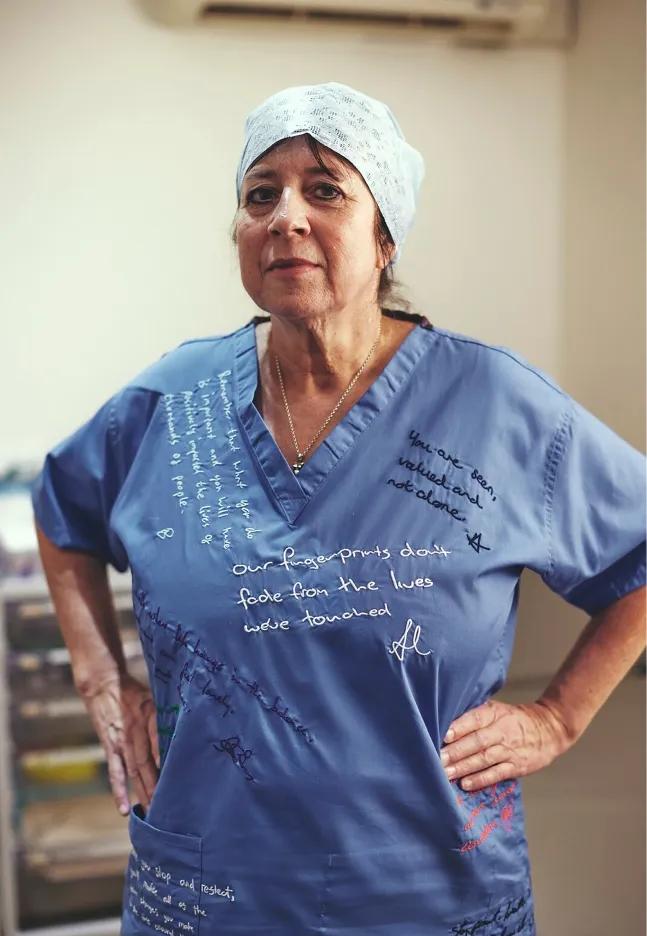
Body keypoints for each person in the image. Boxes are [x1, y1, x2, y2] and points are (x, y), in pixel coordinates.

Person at [33, 82, 645, 936]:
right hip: (211, 891)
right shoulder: (169, 402)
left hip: (425, 892)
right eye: (260, 195)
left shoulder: (492, 403)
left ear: (384, 236)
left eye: (324, 190)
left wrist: (557, 718)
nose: (285, 217)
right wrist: (102, 678)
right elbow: (61, 512)